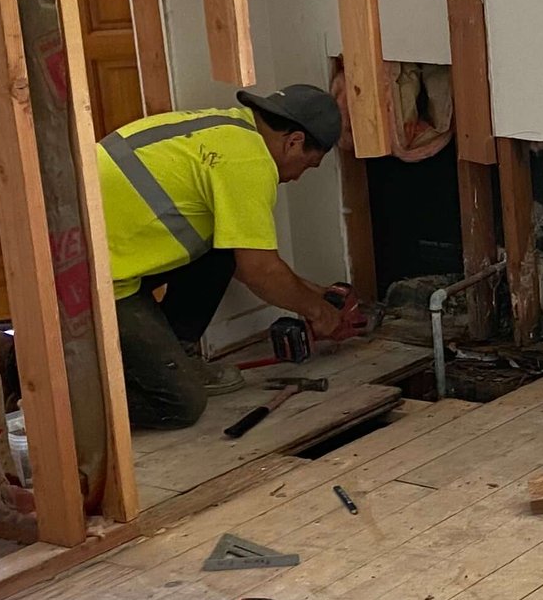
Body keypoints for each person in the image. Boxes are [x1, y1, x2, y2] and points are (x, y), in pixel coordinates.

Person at [96, 83, 363, 429]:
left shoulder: (230, 131)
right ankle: (77, 399)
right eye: (307, 165)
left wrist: (317, 293)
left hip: (108, 248)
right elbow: (260, 270)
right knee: (181, 404)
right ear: (294, 141)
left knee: (223, 250)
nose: (297, 177)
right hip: (93, 279)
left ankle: (177, 354)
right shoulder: (249, 162)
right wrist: (319, 313)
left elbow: (243, 257)